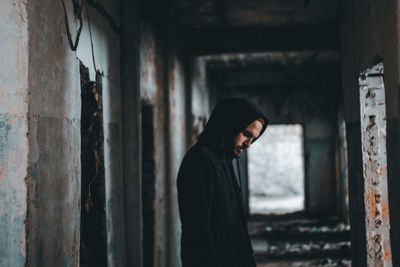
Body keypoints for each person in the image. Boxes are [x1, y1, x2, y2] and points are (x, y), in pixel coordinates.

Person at [177, 98, 268, 267]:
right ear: (229, 125)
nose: (248, 144)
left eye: (253, 139)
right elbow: (199, 231)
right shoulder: (200, 161)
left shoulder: (224, 161)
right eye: (246, 134)